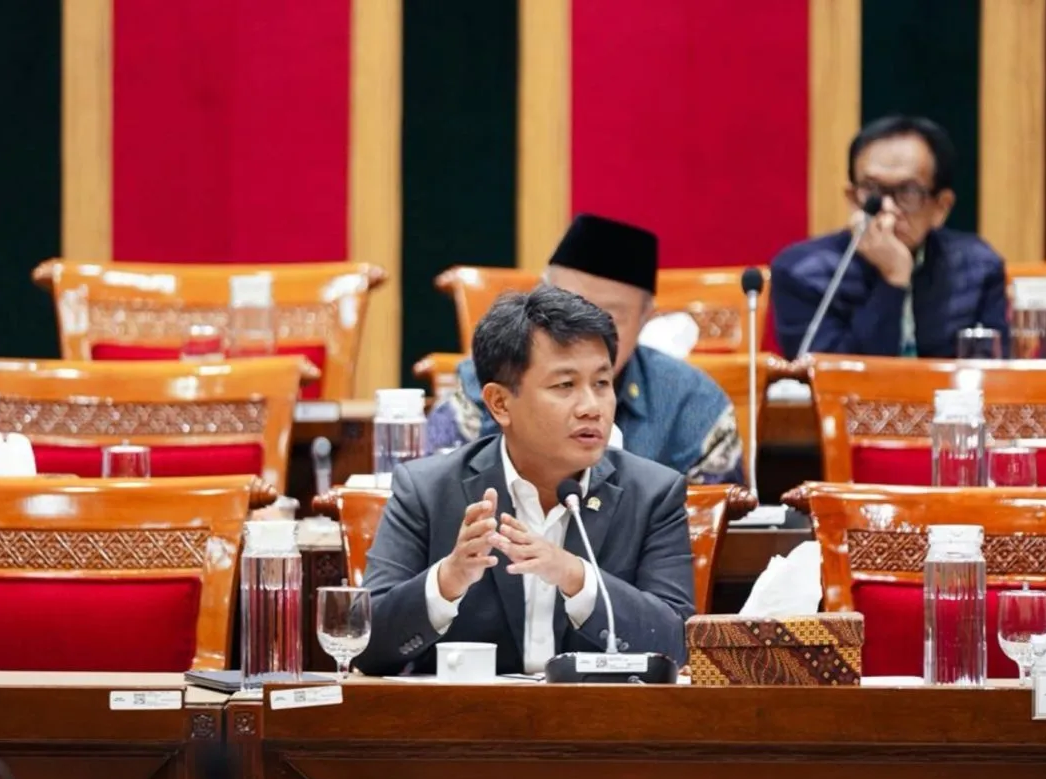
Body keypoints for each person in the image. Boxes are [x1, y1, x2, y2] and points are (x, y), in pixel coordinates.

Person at [354, 285, 694, 676]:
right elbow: (364, 647)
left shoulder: (653, 494)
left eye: (602, 383)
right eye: (565, 385)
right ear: (500, 403)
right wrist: (447, 580)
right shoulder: (428, 491)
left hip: (601, 715)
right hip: (465, 714)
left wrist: (576, 577)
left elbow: (677, 645)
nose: (592, 407)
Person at [426, 213, 742, 484]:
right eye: (565, 308)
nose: (584, 333)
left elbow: (712, 524)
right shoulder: (490, 378)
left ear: (645, 319)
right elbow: (432, 488)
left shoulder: (692, 404)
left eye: (609, 317)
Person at [770, 115, 1009, 359]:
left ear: (941, 207)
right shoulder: (803, 274)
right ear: (852, 199)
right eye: (872, 190)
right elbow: (831, 374)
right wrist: (893, 278)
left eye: (909, 192)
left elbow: (996, 370)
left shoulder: (977, 269)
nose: (888, 208)